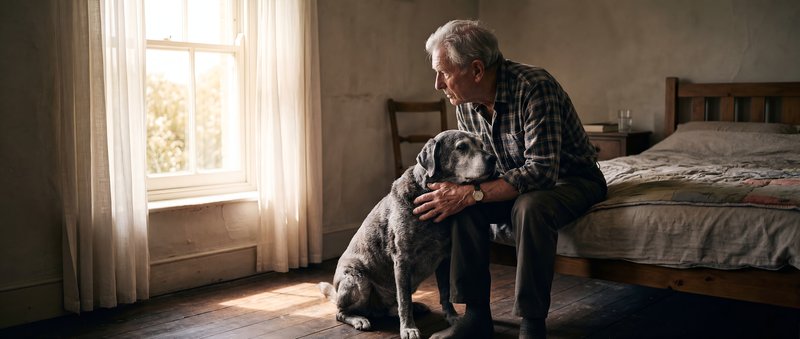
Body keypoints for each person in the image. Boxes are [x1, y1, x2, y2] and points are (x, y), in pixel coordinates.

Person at [413, 20, 608, 339]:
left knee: (529, 206)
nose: (437, 83)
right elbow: (479, 171)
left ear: (476, 70)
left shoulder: (534, 86)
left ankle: (532, 323)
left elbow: (542, 172)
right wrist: (460, 193)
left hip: (571, 180)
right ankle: (475, 317)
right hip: (512, 181)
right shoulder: (465, 101)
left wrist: (470, 193)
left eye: (444, 73)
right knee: (459, 204)